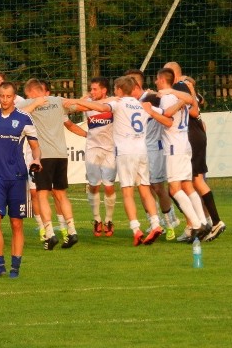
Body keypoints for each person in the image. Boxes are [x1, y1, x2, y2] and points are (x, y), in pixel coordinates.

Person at [68, 76, 163, 246]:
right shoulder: (142, 105)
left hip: (126, 152)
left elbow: (101, 106)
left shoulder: (118, 103)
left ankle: (136, 229)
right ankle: (156, 223)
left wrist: (76, 100)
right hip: (142, 151)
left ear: (119, 90)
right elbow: (164, 114)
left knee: (127, 192)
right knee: (145, 190)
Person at [0, 81, 42, 279]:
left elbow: (35, 146)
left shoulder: (24, 119)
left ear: (14, 97)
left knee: (16, 223)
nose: (4, 100)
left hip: (18, 177)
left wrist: (36, 159)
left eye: (8, 96)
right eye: (1, 96)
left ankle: (15, 268)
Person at [142, 68, 209, 243]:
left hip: (173, 146)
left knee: (174, 188)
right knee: (187, 185)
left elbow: (169, 120)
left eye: (157, 79)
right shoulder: (178, 96)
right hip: (184, 143)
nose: (155, 82)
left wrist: (152, 112)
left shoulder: (167, 98)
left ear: (162, 79)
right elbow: (192, 103)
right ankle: (203, 222)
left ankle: (196, 224)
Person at [164, 63, 226, 242]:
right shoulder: (184, 87)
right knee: (193, 182)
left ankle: (203, 223)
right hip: (195, 135)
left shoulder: (178, 87)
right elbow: (200, 101)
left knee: (181, 186)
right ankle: (205, 223)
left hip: (189, 138)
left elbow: (194, 109)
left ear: (172, 74)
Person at [17, 78, 79, 250]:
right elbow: (78, 106)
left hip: (43, 156)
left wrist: (34, 104)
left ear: (31, 91)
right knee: (61, 194)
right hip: (61, 155)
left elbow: (13, 113)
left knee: (42, 195)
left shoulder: (29, 103)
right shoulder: (58, 101)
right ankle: (72, 231)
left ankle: (50, 234)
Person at [125, 69, 179, 240]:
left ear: (136, 85)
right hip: (138, 150)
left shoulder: (153, 98)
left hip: (154, 148)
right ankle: (153, 222)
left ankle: (171, 221)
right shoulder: (129, 102)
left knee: (157, 187)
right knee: (143, 188)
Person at [82, 77, 117, 237]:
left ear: (104, 90)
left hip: (110, 149)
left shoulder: (113, 104)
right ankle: (97, 219)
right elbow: (74, 105)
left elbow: (119, 98)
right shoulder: (88, 103)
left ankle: (109, 220)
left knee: (109, 186)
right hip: (92, 149)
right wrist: (84, 98)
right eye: (91, 88)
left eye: (95, 89)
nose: (92, 91)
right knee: (94, 185)